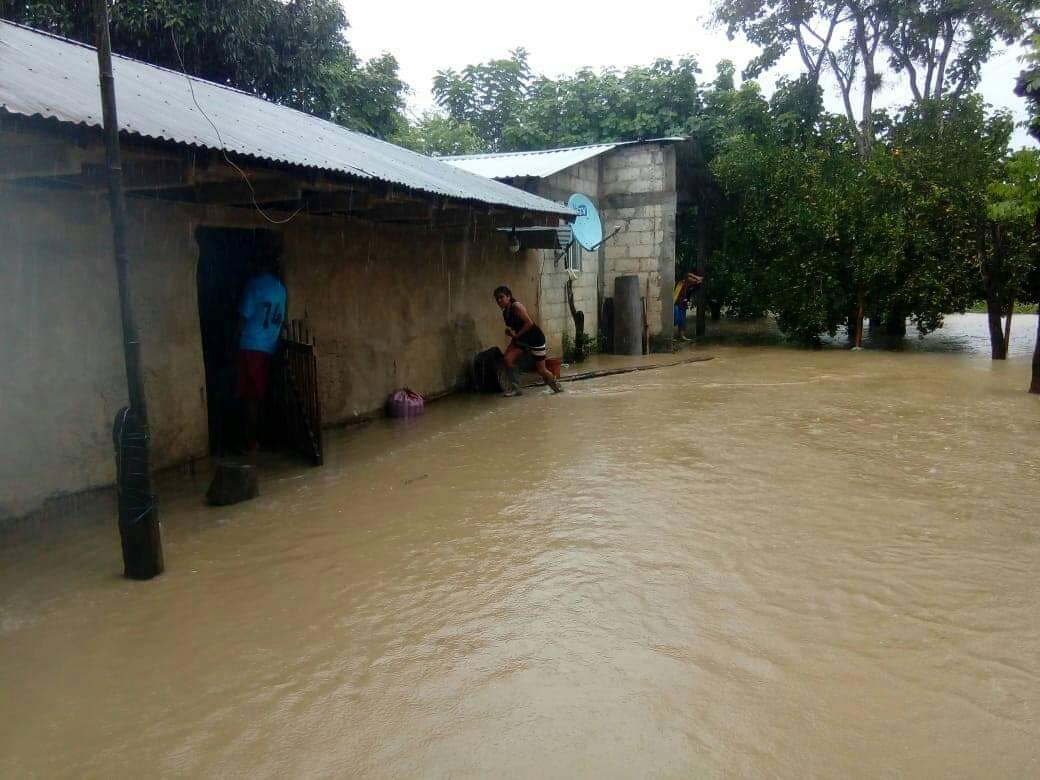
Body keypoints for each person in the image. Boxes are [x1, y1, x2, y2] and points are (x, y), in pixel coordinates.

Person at [235, 249, 287, 453]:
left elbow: (242, 319)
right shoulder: (281, 289)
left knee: (251, 398)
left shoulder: (253, 286)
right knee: (263, 394)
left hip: (250, 347)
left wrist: (231, 343)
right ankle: (267, 437)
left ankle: (251, 442)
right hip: (270, 347)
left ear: (257, 265)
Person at [493, 286, 563, 396]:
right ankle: (516, 388)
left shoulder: (516, 306)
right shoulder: (505, 312)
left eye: (501, 297)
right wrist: (512, 334)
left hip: (535, 338)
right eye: (497, 299)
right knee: (507, 359)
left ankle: (557, 388)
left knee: (541, 370)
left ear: (509, 296)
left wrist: (515, 335)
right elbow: (517, 326)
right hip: (522, 338)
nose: (499, 301)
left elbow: (529, 323)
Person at [673, 272, 703, 340]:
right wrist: (697, 277)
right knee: (676, 319)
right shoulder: (681, 283)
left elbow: (698, 284)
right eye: (692, 279)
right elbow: (688, 274)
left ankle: (681, 336)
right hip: (676, 303)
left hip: (683, 304)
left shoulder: (691, 287)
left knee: (683, 321)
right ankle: (670, 336)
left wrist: (697, 281)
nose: (693, 280)